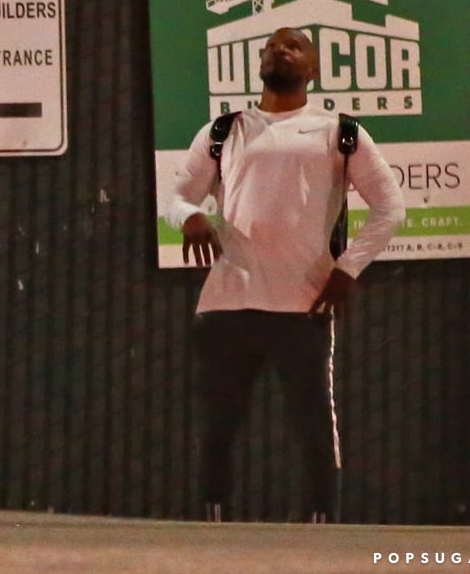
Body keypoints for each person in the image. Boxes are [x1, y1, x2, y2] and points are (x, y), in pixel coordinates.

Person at [166, 27, 406, 523]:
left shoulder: (340, 131)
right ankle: (211, 531)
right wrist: (189, 217)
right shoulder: (223, 131)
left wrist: (348, 268)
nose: (280, 50)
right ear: (259, 66)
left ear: (314, 70)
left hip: (303, 305)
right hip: (227, 303)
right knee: (216, 427)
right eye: (272, 46)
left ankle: (322, 529)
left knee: (315, 429)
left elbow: (390, 209)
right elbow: (178, 197)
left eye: (294, 46)